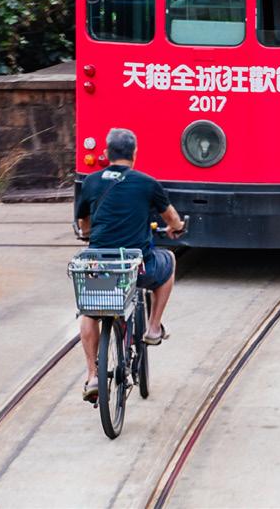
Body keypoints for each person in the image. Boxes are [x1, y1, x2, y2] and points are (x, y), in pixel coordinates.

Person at [76, 127, 185, 403]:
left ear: (106, 154)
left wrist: (91, 236)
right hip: (137, 266)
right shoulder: (147, 183)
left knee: (89, 310)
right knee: (169, 261)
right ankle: (153, 328)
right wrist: (177, 227)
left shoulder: (91, 182)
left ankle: (92, 375)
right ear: (135, 154)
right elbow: (170, 217)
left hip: (101, 266)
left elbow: (84, 224)